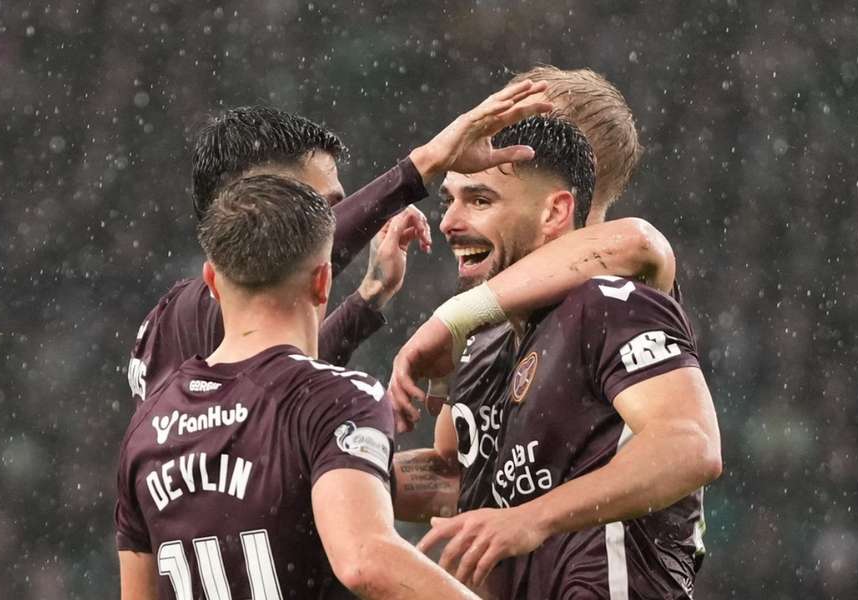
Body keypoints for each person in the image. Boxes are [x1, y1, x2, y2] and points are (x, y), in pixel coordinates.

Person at [115, 175, 478, 599]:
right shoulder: (341, 397)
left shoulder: (149, 423)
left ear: (212, 282)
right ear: (323, 280)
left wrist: (369, 298)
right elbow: (364, 559)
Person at [408, 116, 722, 599]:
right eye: (449, 200)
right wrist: (333, 473)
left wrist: (531, 519)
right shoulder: (484, 344)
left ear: (555, 213)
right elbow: (459, 481)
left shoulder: (606, 302)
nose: (448, 221)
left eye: (480, 199)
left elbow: (690, 445)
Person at [127, 80, 553, 404]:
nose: (325, 226)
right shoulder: (197, 304)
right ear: (251, 198)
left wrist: (368, 300)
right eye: (319, 208)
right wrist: (423, 165)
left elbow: (271, 391)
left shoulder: (204, 326)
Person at [390, 67, 675, 525]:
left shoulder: (615, 293)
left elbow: (640, 242)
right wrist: (334, 477)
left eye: (524, 122)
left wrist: (454, 316)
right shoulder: (488, 325)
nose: (490, 136)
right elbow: (457, 478)